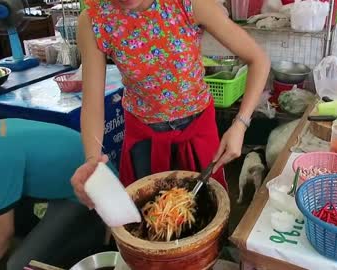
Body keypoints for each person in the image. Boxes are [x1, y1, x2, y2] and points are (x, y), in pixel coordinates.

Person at [71, 0, 270, 208]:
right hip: (145, 139)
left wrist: (240, 124)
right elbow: (92, 101)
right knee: (149, 216)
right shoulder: (95, 21)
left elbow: (258, 60)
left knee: (207, 211)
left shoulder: (187, 4)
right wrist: (92, 158)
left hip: (198, 131)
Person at [0, 119, 106, 269]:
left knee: (18, 266)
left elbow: (3, 236)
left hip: (86, 195)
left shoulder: (2, 155)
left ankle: (85, 241)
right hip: (55, 183)